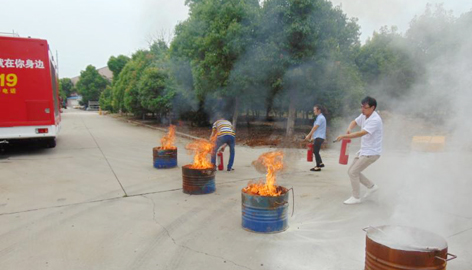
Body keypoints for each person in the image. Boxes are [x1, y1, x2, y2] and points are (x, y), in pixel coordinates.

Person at [336, 96, 383, 205]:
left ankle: (356, 197)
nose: (362, 109)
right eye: (361, 107)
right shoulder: (364, 115)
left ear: (372, 108)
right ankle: (372, 187)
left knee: (353, 172)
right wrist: (349, 128)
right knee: (351, 171)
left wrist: (344, 136)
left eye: (365, 107)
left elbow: (361, 133)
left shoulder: (375, 120)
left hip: (372, 153)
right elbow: (354, 121)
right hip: (364, 150)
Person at [305, 105, 327, 172]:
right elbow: (317, 129)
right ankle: (320, 163)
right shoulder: (319, 117)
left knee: (315, 151)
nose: (314, 111)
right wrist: (312, 137)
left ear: (319, 110)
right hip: (318, 137)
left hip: (319, 137)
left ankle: (318, 166)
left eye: (314, 110)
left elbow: (315, 128)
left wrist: (309, 135)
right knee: (315, 150)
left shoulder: (320, 118)